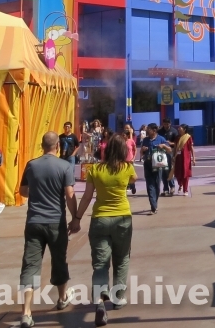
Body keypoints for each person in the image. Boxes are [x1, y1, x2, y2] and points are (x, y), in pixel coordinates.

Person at [71, 133, 136, 326]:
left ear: (106, 149)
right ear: (123, 149)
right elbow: (133, 180)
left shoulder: (96, 169)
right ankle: (118, 297)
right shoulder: (127, 168)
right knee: (122, 258)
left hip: (99, 218)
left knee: (100, 263)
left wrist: (76, 218)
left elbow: (87, 196)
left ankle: (99, 300)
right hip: (123, 218)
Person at [18, 132, 78, 328]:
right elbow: (69, 195)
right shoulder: (65, 166)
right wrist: (75, 218)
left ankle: (26, 312)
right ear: (58, 146)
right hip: (55, 222)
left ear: (42, 145)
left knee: (30, 264)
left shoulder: (32, 165)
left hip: (34, 221)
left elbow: (24, 192)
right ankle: (62, 298)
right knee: (59, 259)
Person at [139, 124, 168, 214]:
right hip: (147, 164)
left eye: (149, 129)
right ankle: (153, 207)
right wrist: (143, 150)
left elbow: (169, 150)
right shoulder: (145, 140)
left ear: (154, 130)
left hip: (158, 166)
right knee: (150, 185)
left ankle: (154, 204)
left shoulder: (161, 139)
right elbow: (141, 153)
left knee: (157, 185)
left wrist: (164, 146)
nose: (147, 131)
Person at [158, 119, 178, 196]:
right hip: (162, 153)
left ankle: (172, 186)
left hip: (170, 152)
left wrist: (170, 143)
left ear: (170, 123)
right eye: (164, 124)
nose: (166, 125)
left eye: (167, 124)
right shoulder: (160, 131)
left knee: (169, 169)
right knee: (163, 170)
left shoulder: (174, 131)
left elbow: (177, 143)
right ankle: (165, 189)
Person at [122, 124, 138, 196]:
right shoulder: (121, 141)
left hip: (130, 160)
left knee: (131, 175)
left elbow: (135, 149)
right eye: (125, 128)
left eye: (128, 128)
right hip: (123, 160)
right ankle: (125, 187)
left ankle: (133, 186)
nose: (126, 129)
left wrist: (133, 158)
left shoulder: (131, 140)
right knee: (124, 175)